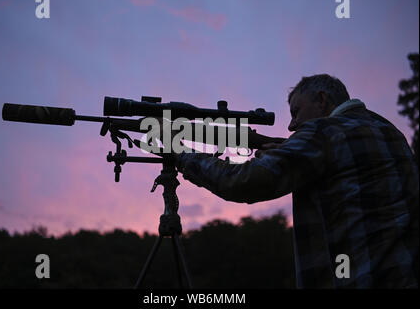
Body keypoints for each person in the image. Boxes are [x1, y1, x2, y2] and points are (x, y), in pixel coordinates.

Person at [172, 74, 419, 288]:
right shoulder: (390, 131)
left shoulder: (322, 132)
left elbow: (241, 182)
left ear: (322, 100)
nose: (291, 125)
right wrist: (283, 154)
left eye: (296, 112)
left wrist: (181, 153)